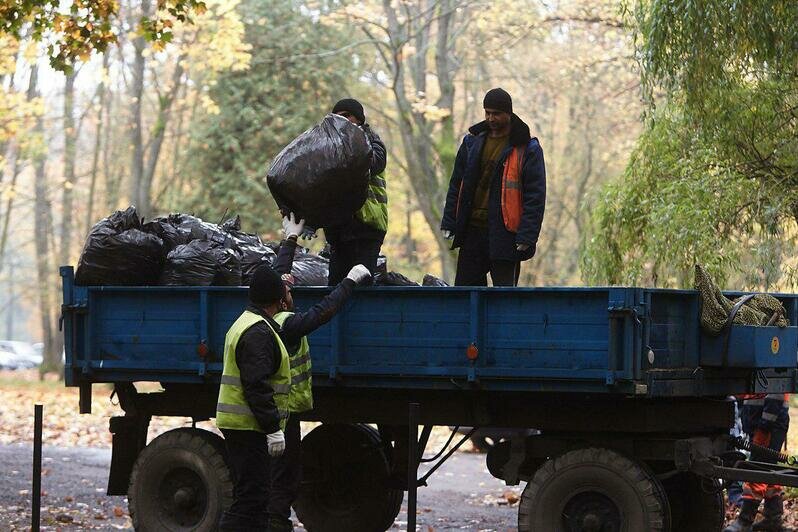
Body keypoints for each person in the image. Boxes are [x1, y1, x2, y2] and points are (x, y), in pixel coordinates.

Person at [216, 220, 371, 531]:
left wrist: (290, 238)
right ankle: (275, 523)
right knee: (262, 491)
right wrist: (350, 281)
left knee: (261, 492)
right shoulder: (281, 326)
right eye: (287, 288)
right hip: (259, 423)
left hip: (272, 418)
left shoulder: (259, 316)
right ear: (280, 300)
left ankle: (271, 522)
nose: (291, 287)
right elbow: (323, 310)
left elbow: (274, 275)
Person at [440, 87, 546, 286]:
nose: (490, 118)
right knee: (465, 292)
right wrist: (449, 221)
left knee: (504, 299)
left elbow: (535, 197)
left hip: (505, 234)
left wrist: (527, 235)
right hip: (472, 231)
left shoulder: (527, 148)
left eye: (496, 113)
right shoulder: (471, 142)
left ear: (508, 113)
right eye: (487, 113)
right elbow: (456, 183)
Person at [318, 98, 388, 285]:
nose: (343, 121)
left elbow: (373, 163)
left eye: (347, 116)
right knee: (336, 287)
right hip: (339, 231)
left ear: (359, 119)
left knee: (361, 287)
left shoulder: (372, 142)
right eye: (338, 117)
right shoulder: (330, 148)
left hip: (367, 229)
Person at [724, 393, 790, 532]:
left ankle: (744, 521)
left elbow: (776, 395)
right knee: (768, 470)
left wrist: (764, 428)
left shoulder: (771, 371)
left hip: (768, 427)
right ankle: (773, 519)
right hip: (764, 425)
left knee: (757, 470)